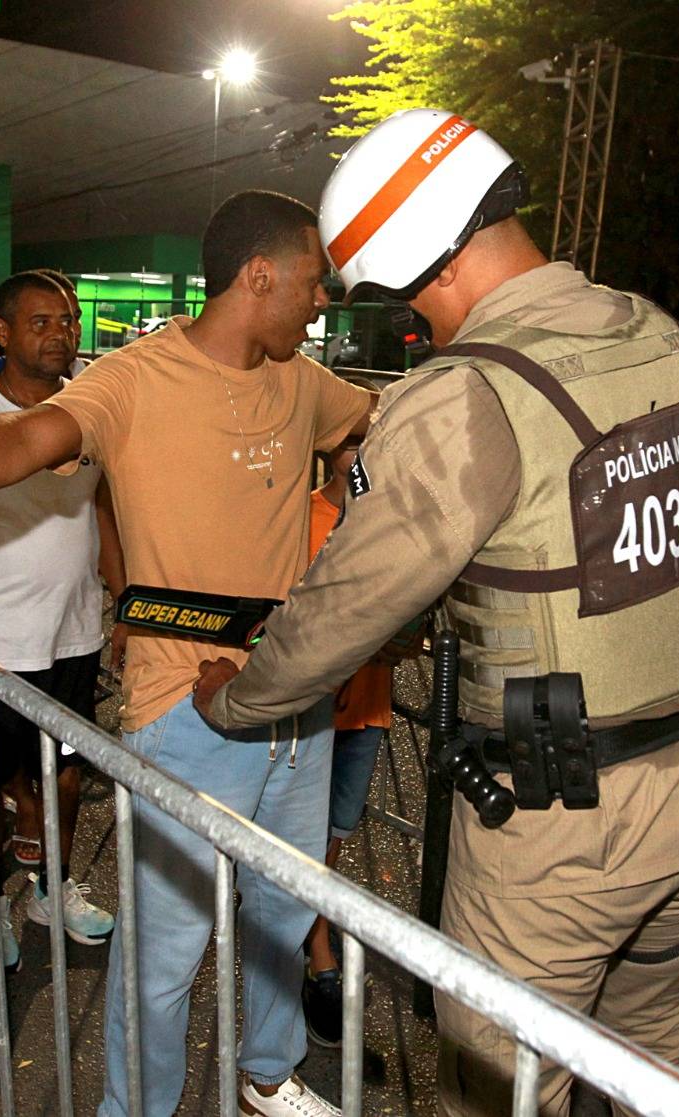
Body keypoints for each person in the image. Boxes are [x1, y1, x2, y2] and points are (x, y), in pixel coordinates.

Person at [190, 110, 679, 1116]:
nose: (417, 323)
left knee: (498, 1095)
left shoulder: (469, 393)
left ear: (426, 263)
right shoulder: (668, 338)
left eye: (404, 298)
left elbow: (343, 608)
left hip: (564, 830)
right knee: (653, 1079)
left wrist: (237, 701)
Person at [0, 189, 375, 1117]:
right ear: (259, 275)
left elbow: (370, 424)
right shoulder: (134, 380)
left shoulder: (303, 379)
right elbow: (15, 440)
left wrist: (357, 526)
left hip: (295, 698)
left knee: (279, 911)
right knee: (165, 950)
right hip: (187, 710)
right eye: (313, 280)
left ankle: (267, 1073)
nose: (322, 300)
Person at [0, 270, 122, 978]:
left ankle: (50, 889)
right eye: (40, 322)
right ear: (1, 334)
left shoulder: (89, 407)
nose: (60, 333)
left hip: (74, 634)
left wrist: (121, 602)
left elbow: (102, 510)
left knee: (65, 779)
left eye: (67, 320)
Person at [297, 382, 419, 1050]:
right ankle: (319, 959)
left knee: (331, 840)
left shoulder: (393, 522)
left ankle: (307, 930)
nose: (361, 449)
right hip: (309, 716)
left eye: (371, 436)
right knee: (307, 843)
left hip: (366, 711)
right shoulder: (299, 515)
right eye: (350, 436)